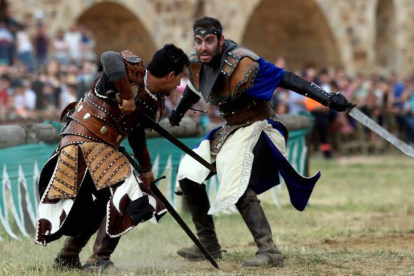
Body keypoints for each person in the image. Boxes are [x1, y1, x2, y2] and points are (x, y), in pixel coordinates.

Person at [169, 17, 353, 268]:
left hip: (260, 126)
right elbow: (194, 85)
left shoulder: (244, 61)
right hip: (229, 130)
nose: (203, 47)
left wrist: (328, 99)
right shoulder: (198, 63)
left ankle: (269, 250)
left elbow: (287, 78)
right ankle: (208, 243)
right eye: (199, 41)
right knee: (189, 173)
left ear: (220, 40)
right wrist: (178, 112)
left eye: (209, 41)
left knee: (237, 179)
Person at [35, 44, 189, 272]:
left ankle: (67, 256)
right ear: (170, 75)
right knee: (130, 193)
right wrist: (126, 96)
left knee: (106, 204)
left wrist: (146, 168)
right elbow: (108, 57)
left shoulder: (152, 100)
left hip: (102, 152)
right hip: (81, 144)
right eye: (179, 78)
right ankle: (99, 260)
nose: (178, 85)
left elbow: (135, 133)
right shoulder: (130, 71)